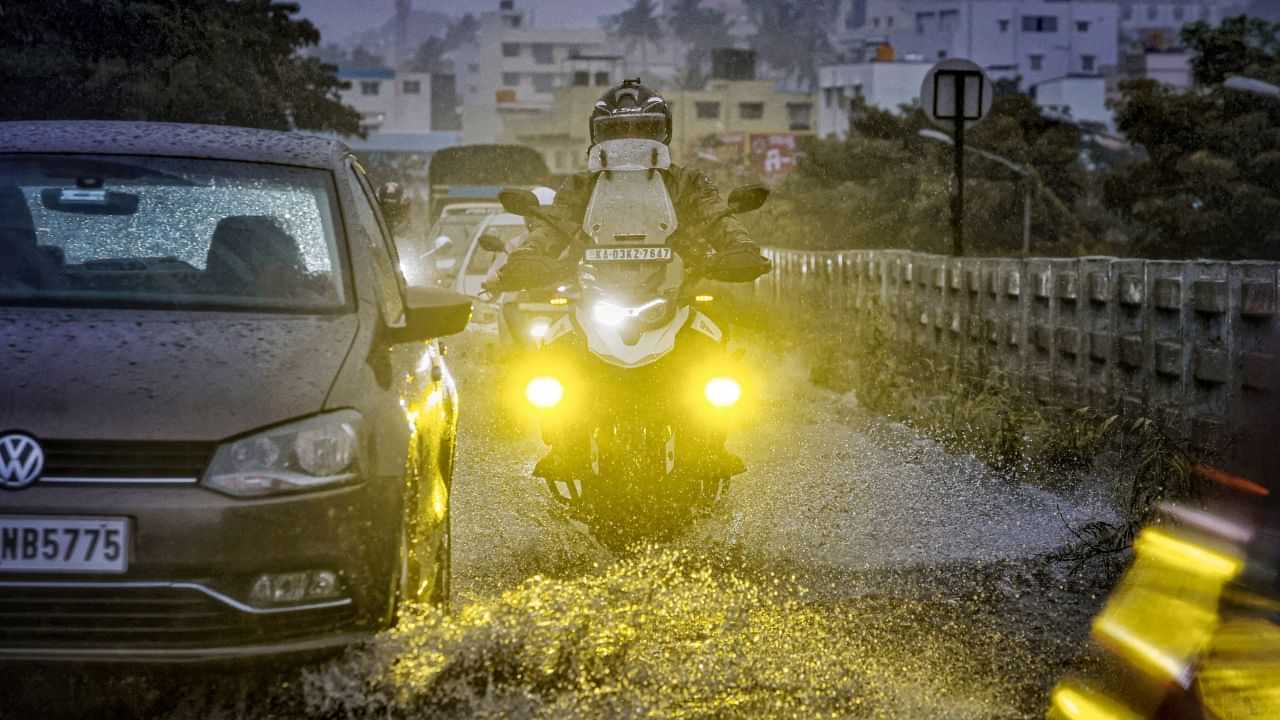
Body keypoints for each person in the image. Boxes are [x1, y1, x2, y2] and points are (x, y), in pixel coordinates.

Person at [495, 78, 771, 285]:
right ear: (598, 135)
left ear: (663, 132)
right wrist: (528, 254)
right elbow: (554, 225)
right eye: (616, 130)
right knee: (548, 343)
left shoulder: (688, 182)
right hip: (595, 290)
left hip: (681, 287)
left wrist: (740, 247)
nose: (630, 139)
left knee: (722, 336)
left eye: (643, 128)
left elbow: (717, 217)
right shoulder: (581, 185)